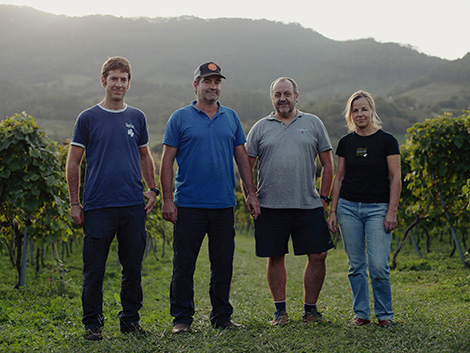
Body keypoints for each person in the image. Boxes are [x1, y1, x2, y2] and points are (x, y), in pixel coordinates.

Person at [160, 61, 260, 334]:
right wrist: (168, 200)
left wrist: (250, 193)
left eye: (217, 82)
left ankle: (221, 316)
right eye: (207, 81)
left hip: (223, 204)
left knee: (223, 263)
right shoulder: (179, 118)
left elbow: (242, 158)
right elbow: (167, 162)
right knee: (184, 264)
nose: (213, 86)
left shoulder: (231, 117)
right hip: (188, 205)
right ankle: (182, 319)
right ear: (196, 85)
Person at [66, 56, 158, 341]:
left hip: (132, 205)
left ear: (129, 83)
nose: (118, 84)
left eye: (123, 79)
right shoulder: (88, 118)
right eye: (114, 78)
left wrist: (153, 189)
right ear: (103, 81)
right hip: (97, 206)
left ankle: (130, 321)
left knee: (132, 268)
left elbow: (145, 156)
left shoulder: (137, 117)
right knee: (94, 269)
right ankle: (92, 324)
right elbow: (73, 162)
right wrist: (74, 202)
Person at [244, 77, 335, 326]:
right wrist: (250, 196)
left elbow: (328, 164)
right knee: (275, 256)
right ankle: (280, 312)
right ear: (271, 97)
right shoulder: (260, 127)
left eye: (287, 93)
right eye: (277, 94)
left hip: (308, 204)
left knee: (318, 255)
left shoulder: (314, 123)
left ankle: (310, 310)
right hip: (270, 205)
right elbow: (246, 167)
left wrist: (324, 197)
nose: (282, 98)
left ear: (297, 95)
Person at [328, 90, 401, 327]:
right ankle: (361, 313)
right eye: (355, 110)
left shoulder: (387, 140)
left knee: (379, 265)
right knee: (356, 265)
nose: (360, 114)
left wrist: (392, 211)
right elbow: (339, 179)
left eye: (364, 109)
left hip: (378, 209)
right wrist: (333, 211)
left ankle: (385, 315)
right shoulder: (346, 143)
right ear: (350, 114)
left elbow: (396, 178)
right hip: (348, 209)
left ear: (372, 111)